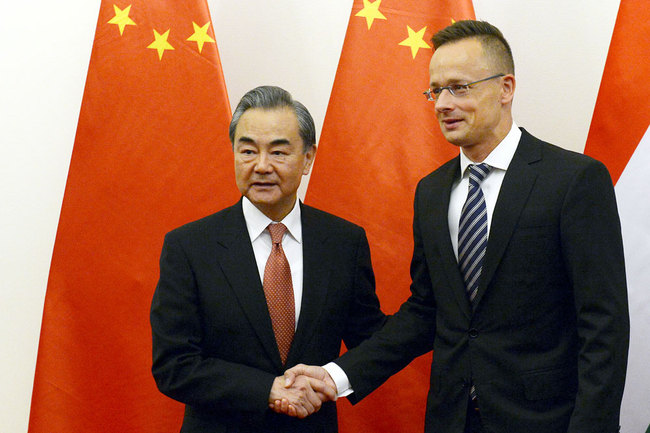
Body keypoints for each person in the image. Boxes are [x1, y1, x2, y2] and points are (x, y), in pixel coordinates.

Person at [279, 20, 629, 433]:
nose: (442, 103)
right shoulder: (432, 192)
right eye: (435, 90)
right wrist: (335, 376)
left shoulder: (573, 180)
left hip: (546, 420)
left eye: (459, 87)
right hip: (451, 419)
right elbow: (427, 312)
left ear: (506, 88)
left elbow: (603, 326)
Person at [150, 85, 386, 433]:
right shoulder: (189, 246)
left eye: (278, 152)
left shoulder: (343, 242)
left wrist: (334, 380)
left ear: (307, 158)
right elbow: (174, 365)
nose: (261, 166)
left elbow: (369, 340)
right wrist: (268, 389)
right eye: (247, 151)